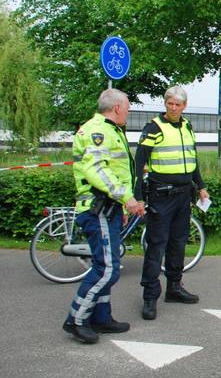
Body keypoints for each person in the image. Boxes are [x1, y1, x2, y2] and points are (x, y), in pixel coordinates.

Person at [63, 89, 145, 344]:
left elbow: (116, 170)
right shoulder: (96, 131)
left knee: (106, 264)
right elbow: (97, 170)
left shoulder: (110, 130)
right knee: (107, 269)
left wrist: (120, 208)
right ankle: (76, 319)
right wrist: (127, 199)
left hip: (109, 209)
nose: (129, 112)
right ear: (118, 107)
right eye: (128, 107)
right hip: (96, 208)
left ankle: (101, 317)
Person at [135, 86, 209, 320]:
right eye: (170, 104)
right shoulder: (153, 128)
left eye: (178, 104)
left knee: (178, 244)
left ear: (184, 106)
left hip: (183, 195)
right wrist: (137, 196)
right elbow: (138, 164)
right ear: (165, 104)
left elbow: (192, 159)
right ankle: (149, 297)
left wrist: (201, 186)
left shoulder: (187, 126)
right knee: (157, 245)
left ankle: (174, 288)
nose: (174, 108)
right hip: (161, 195)